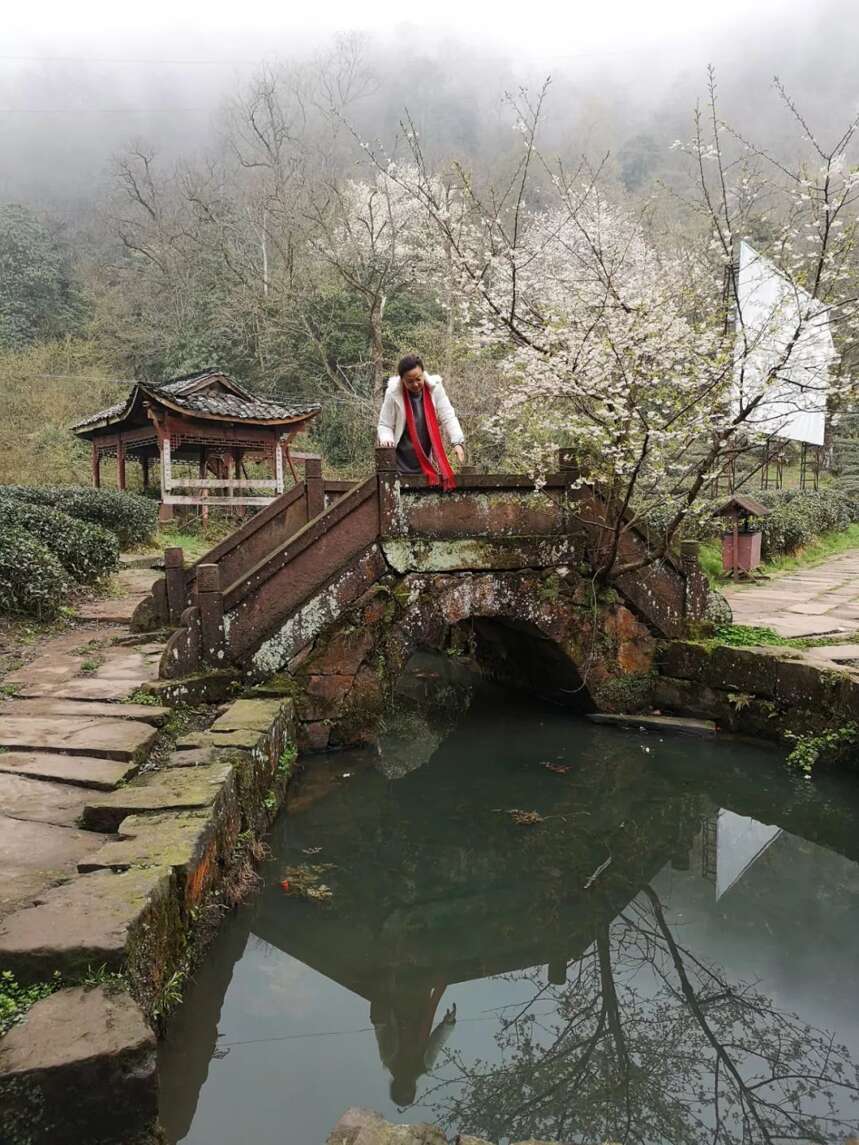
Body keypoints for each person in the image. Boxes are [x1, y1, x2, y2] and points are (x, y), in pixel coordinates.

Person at [377, 355, 465, 489]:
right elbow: (385, 424)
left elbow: (448, 415)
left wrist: (457, 442)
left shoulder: (435, 389)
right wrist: (387, 440)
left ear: (423, 374)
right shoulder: (393, 393)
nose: (415, 384)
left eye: (418, 379)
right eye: (410, 381)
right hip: (400, 461)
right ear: (402, 380)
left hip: (424, 461)